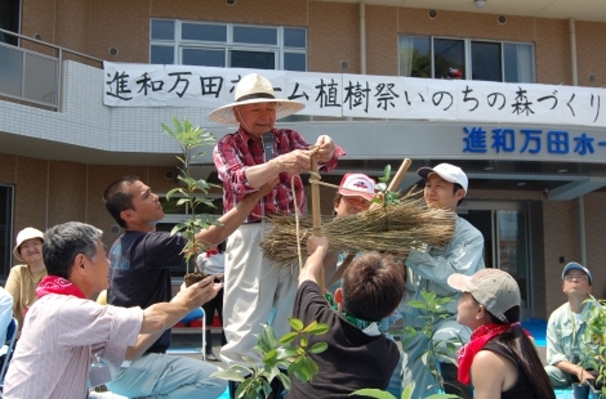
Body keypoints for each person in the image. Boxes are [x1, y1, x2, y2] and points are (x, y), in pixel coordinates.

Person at [210, 72, 344, 378]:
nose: (264, 116)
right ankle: (245, 380)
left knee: (291, 309)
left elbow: (325, 160)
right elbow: (237, 179)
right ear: (237, 113)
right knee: (247, 313)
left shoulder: (289, 138)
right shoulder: (226, 145)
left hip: (292, 230)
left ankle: (287, 378)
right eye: (256, 109)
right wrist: (278, 164)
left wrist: (326, 147)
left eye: (269, 108)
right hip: (250, 232)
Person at [3, 222, 219, 399]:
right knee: (215, 378)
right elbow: (152, 320)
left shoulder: (57, 304)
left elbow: (130, 351)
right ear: (82, 264)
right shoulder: (64, 310)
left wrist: (178, 306)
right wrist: (184, 302)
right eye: (103, 255)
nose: (109, 263)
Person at [103, 175, 274, 398]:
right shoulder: (150, 244)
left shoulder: (121, 245)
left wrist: (183, 298)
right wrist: (255, 196)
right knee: (214, 381)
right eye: (145, 196)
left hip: (117, 363)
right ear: (128, 215)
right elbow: (215, 235)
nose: (155, 197)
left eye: (150, 190)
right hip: (135, 364)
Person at [397, 163, 485, 399]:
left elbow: (455, 277)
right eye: (428, 185)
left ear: (459, 194)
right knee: (414, 392)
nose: (430, 191)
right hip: (415, 324)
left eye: (439, 186)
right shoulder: (413, 232)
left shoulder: (469, 236)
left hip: (452, 320)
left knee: (447, 342)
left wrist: (411, 255)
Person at [287, 235, 404, 398]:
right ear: (392, 312)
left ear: (338, 296)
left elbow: (306, 274)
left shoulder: (316, 318)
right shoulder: (387, 355)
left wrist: (320, 249)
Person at [448, 268, 556, 399]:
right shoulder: (523, 340)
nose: (458, 300)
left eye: (464, 294)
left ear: (479, 311)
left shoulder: (487, 358)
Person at [545, 262, 596, 397]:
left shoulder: (602, 314)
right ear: (563, 287)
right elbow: (555, 357)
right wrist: (579, 371)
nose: (574, 279)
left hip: (599, 372)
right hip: (569, 373)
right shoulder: (556, 317)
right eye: (569, 277)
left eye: (581, 276)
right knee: (544, 373)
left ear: (589, 288)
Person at [324, 172, 376, 293]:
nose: (357, 206)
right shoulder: (318, 238)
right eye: (351, 199)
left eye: (364, 202)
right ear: (337, 204)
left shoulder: (375, 244)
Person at [5, 227, 47, 333]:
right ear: (21, 254)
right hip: (20, 336)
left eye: (35, 243)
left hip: (47, 334)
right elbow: (9, 303)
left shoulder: (56, 271)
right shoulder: (18, 272)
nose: (31, 249)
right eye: (25, 246)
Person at [196, 244, 226, 361]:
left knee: (225, 320)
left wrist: (223, 275)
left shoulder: (226, 256)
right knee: (207, 320)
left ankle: (225, 350)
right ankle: (207, 351)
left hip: (223, 289)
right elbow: (198, 274)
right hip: (208, 289)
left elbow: (232, 272)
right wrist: (209, 278)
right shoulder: (202, 257)